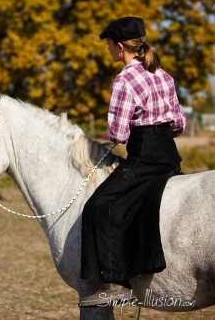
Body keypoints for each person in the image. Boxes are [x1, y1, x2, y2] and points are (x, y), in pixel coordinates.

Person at [79, 17, 186, 307]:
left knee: (100, 207)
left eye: (109, 44)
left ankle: (115, 284)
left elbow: (119, 134)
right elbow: (179, 124)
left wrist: (112, 135)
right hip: (169, 155)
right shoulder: (164, 75)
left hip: (145, 156)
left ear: (120, 46)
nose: (108, 49)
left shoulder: (125, 80)